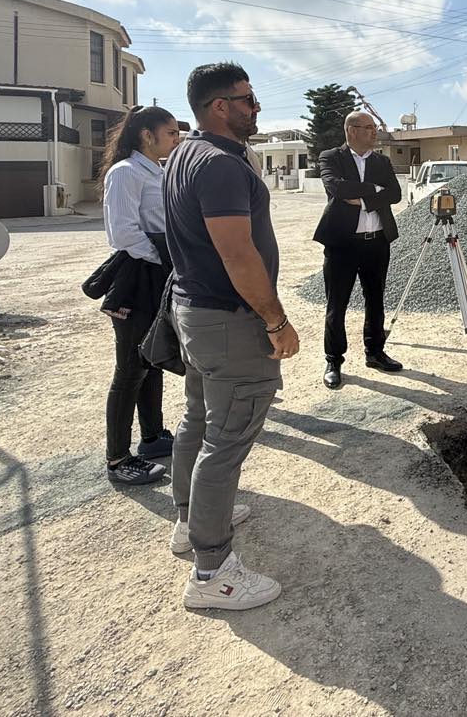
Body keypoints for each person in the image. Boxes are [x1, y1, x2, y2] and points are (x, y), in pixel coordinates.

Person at [164, 63, 299, 611]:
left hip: (196, 311)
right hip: (228, 320)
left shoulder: (185, 153)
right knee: (226, 440)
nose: (256, 107)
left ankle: (187, 518)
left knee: (199, 418)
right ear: (220, 106)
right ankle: (212, 570)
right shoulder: (219, 165)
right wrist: (275, 319)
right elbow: (237, 253)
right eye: (248, 99)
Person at [98, 106, 181, 485]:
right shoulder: (125, 173)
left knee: (153, 357)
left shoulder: (158, 171)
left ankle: (152, 436)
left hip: (159, 272)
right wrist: (162, 258)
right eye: (171, 133)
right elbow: (123, 234)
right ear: (147, 135)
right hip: (140, 274)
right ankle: (118, 459)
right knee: (130, 369)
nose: (176, 138)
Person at [313, 111, 404, 390]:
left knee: (376, 300)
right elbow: (336, 189)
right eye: (368, 128)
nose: (374, 132)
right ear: (351, 130)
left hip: (377, 241)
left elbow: (396, 194)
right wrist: (375, 190)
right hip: (342, 244)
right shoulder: (331, 157)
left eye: (374, 127)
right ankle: (334, 360)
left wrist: (363, 199)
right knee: (336, 304)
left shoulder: (381, 160)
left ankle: (375, 352)